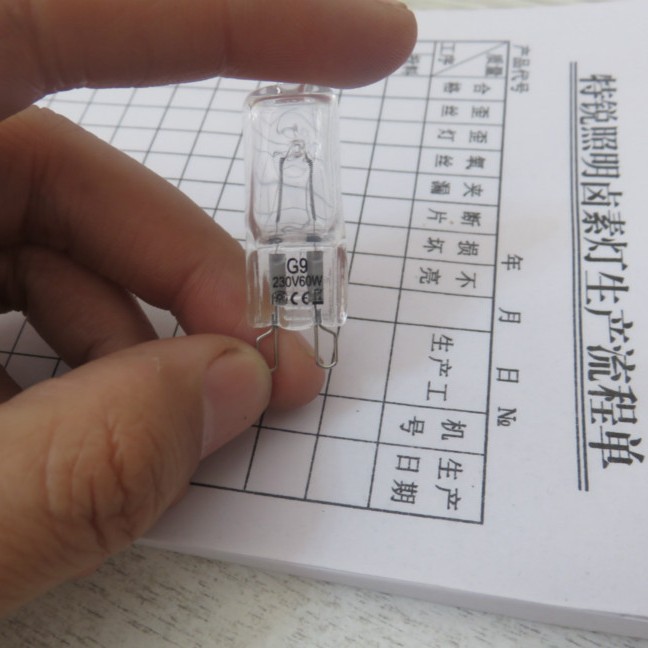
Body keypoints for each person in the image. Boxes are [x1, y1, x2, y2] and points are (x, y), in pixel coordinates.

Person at [0, 0, 416, 616]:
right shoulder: (283, 151)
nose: (295, 146)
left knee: (303, 276)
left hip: (307, 237)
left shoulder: (307, 163)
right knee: (287, 286)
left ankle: (302, 339)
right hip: (288, 238)